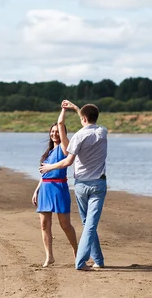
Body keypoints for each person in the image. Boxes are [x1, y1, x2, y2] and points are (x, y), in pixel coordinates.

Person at [40, 100, 108, 270]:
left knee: (88, 224)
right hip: (97, 183)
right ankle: (91, 260)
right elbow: (86, 119)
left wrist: (49, 167)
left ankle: (84, 259)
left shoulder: (78, 136)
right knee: (89, 224)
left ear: (83, 119)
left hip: (80, 185)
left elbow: (68, 161)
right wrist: (77, 108)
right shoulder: (103, 132)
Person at [32, 106, 78, 267]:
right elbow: (44, 173)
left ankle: (77, 252)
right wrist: (37, 190)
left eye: (57, 131)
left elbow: (60, 123)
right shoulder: (49, 152)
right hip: (45, 188)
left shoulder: (65, 148)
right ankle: (49, 256)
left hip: (59, 189)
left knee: (65, 224)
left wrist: (64, 112)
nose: (54, 134)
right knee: (44, 225)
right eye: (52, 132)